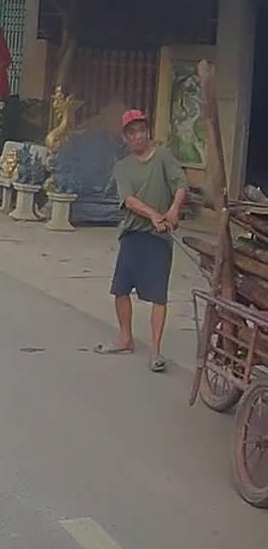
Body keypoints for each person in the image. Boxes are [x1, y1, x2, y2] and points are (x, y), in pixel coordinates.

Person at [94, 108, 188, 373]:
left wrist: (173, 210)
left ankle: (156, 350)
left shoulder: (163, 157)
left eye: (141, 130)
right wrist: (154, 215)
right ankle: (125, 338)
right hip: (133, 235)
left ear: (148, 132)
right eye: (131, 132)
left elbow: (181, 184)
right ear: (125, 137)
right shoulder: (122, 167)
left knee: (158, 295)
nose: (137, 136)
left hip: (159, 238)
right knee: (120, 289)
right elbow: (129, 200)